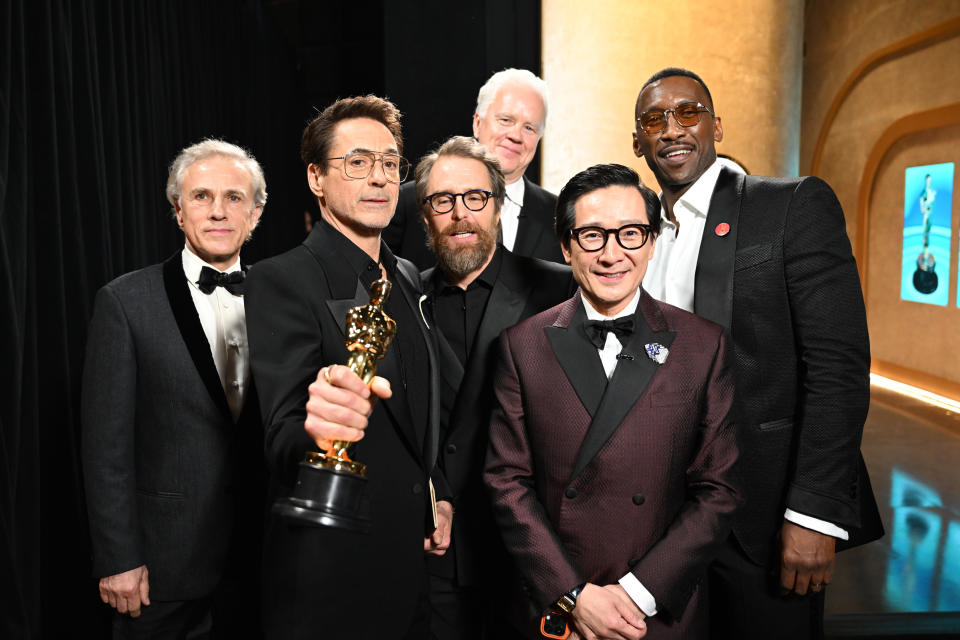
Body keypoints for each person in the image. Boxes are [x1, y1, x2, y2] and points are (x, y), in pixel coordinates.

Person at [632, 67, 883, 639]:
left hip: (764, 519)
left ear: (716, 125)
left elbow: (838, 366)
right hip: (660, 522)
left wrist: (816, 513)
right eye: (654, 120)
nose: (672, 129)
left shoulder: (790, 205)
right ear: (638, 142)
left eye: (688, 112)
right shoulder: (636, 229)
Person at [485, 163, 742, 640]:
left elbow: (719, 489)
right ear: (565, 245)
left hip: (658, 612)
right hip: (559, 612)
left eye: (630, 234)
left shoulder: (704, 345)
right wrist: (574, 594)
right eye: (592, 236)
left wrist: (638, 593)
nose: (611, 255)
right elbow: (506, 482)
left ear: (651, 241)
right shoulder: (522, 346)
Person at [244, 95, 451, 640]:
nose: (379, 178)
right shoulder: (281, 279)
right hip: (330, 580)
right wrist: (319, 429)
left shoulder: (406, 275)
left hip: (411, 570)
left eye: (389, 163)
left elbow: (421, 409)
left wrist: (438, 491)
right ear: (316, 178)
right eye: (357, 163)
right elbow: (280, 437)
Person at [81, 139, 267, 638]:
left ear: (255, 214)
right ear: (178, 210)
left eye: (234, 198)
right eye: (202, 196)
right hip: (163, 566)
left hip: (265, 559)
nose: (218, 211)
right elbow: (106, 448)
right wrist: (118, 557)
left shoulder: (284, 298)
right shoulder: (125, 302)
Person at [415, 136, 575, 639]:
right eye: (443, 201)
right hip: (436, 552)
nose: (460, 214)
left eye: (475, 198)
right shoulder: (401, 298)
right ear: (425, 217)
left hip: (536, 551)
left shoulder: (559, 290)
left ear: (500, 206)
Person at [384, 68, 562, 269]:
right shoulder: (408, 201)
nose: (516, 136)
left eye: (529, 128)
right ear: (477, 123)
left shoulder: (559, 216)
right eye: (506, 120)